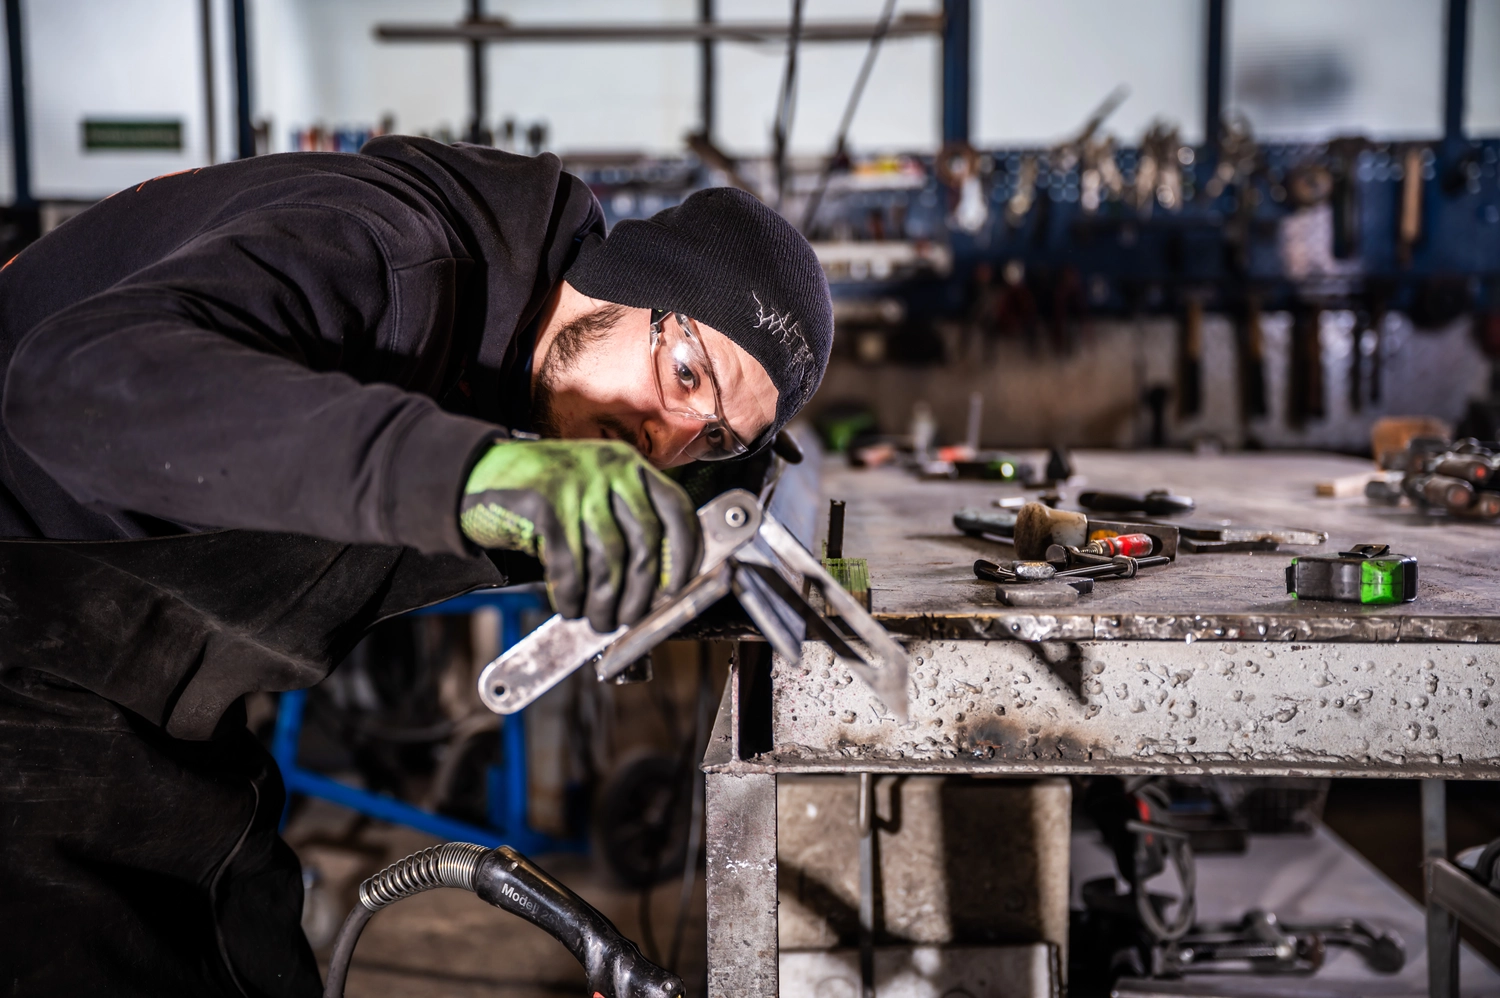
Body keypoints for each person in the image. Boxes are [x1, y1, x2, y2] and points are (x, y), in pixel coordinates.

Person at [0, 136, 832, 997]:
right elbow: (68, 387)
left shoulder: (553, 380)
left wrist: (725, 524)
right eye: (685, 373)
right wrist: (470, 477)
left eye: (711, 437)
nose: (662, 439)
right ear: (629, 280)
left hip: (152, 697)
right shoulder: (382, 249)